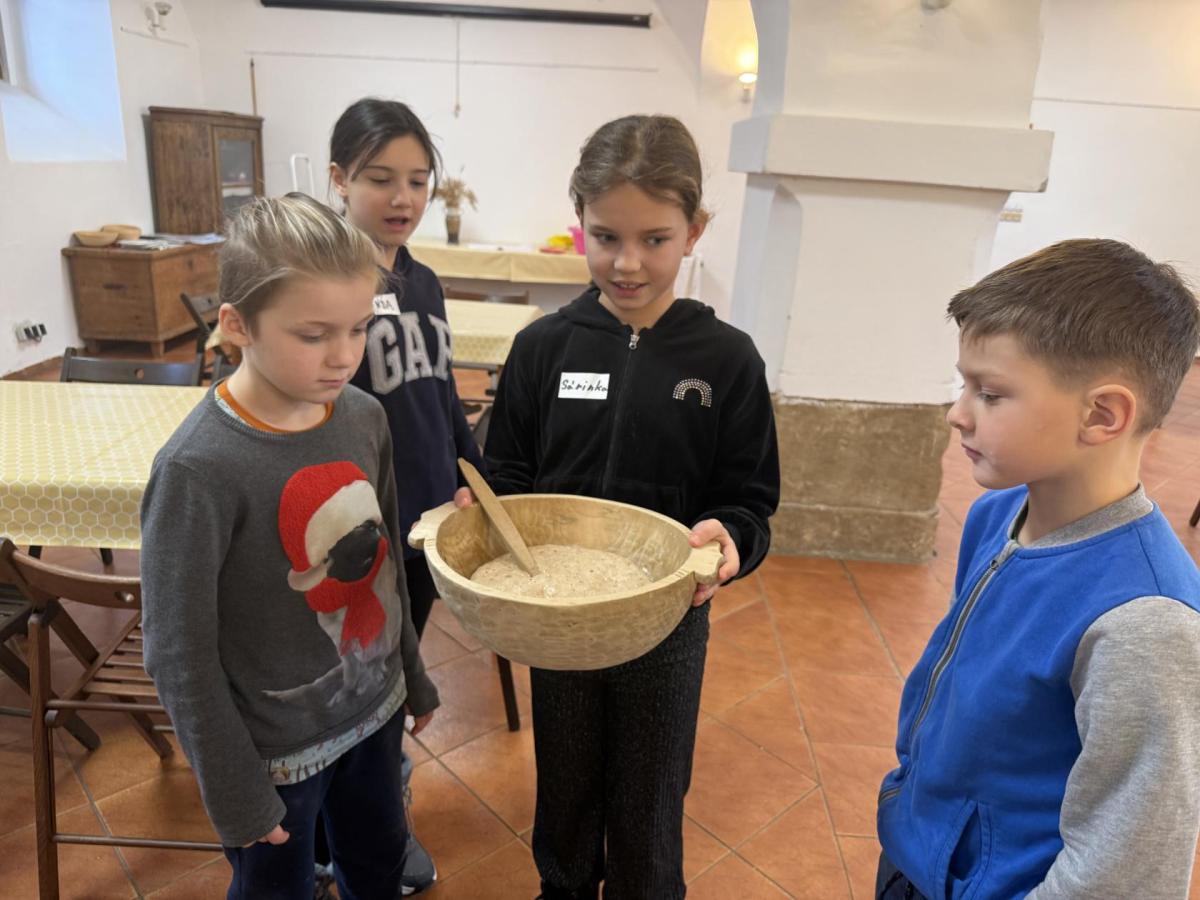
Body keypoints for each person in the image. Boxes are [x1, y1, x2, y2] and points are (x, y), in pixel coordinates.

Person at [483, 114, 780, 900]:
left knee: (650, 792)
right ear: (578, 219)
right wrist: (487, 512)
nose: (627, 262)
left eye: (655, 239)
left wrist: (733, 538)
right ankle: (564, 887)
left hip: (667, 616)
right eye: (606, 236)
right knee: (566, 781)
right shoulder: (542, 348)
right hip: (559, 616)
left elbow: (749, 500)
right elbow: (506, 472)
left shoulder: (728, 361)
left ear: (694, 231)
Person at [876, 239, 1200, 900]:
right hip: (922, 855)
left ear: (1102, 415)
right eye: (964, 385)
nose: (957, 413)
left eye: (990, 394)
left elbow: (1125, 870)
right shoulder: (995, 516)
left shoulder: (1145, 623)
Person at [141, 193, 439, 899]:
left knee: (377, 865)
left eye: (359, 328)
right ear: (236, 325)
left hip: (374, 714)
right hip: (274, 756)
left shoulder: (364, 417)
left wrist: (411, 673)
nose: (345, 356)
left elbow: (386, 569)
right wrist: (234, 792)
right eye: (314, 335)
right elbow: (178, 653)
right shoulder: (197, 468)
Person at [325, 96, 485, 894]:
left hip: (422, 516)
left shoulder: (423, 280)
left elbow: (440, 392)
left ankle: (374, 818)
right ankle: (350, 833)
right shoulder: (326, 285)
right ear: (339, 179)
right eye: (380, 178)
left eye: (418, 180)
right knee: (353, 681)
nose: (403, 197)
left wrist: (469, 471)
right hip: (356, 523)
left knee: (392, 675)